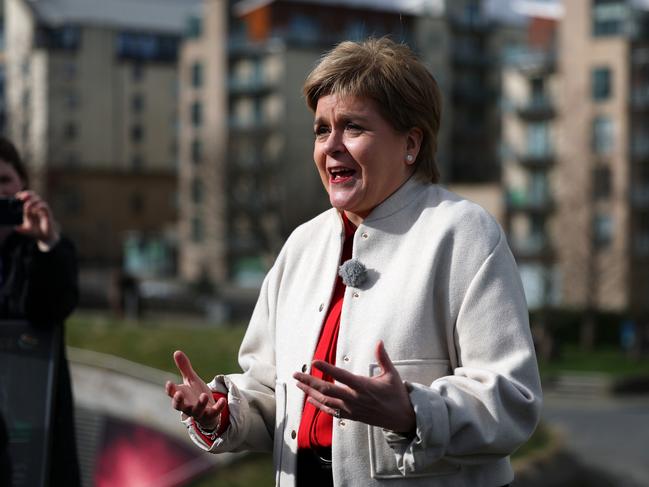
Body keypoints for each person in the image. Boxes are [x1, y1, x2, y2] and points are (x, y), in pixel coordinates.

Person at [166, 38, 542, 487]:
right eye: (322, 130)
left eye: (353, 128)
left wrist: (411, 412)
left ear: (411, 143)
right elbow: (272, 394)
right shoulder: (302, 245)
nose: (332, 146)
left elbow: (513, 400)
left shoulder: (462, 232)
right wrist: (221, 411)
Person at [0, 136, 80, 485]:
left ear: (23, 186)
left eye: (3, 181)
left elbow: (51, 307)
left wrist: (46, 244)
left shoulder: (47, 248)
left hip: (37, 421)